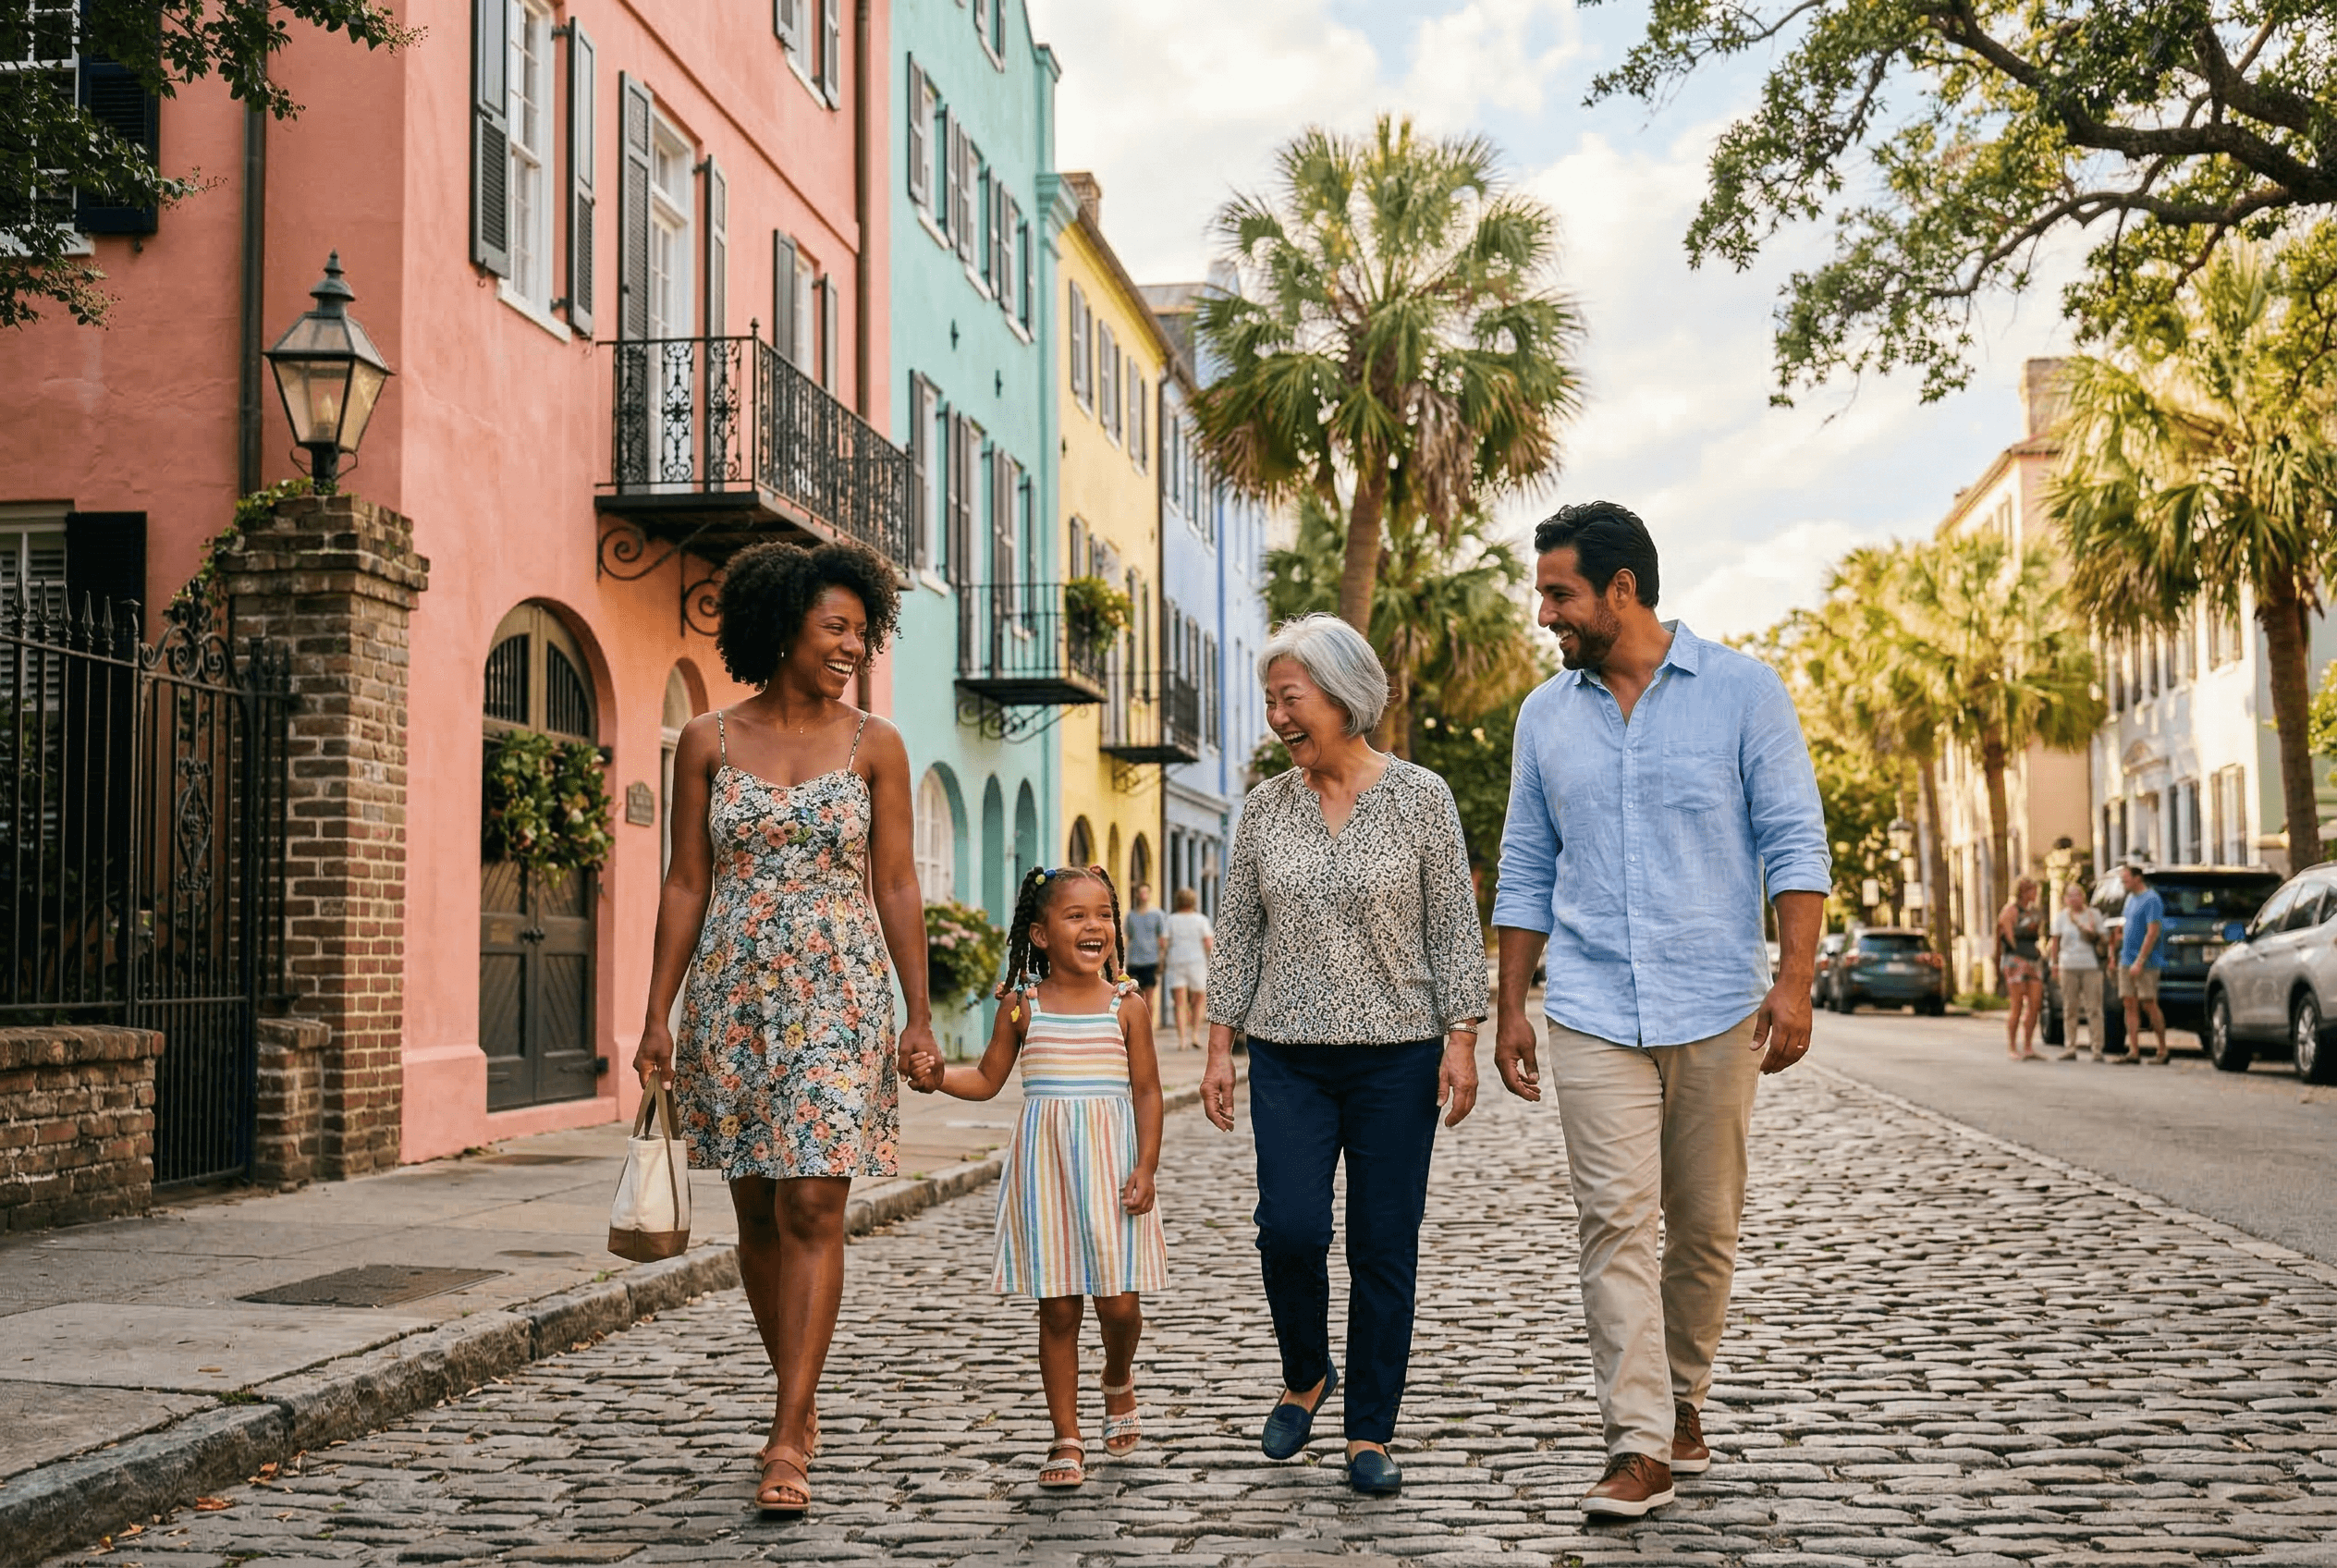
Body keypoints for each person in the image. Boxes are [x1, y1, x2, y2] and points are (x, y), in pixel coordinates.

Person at [1491, 502, 1829, 1521]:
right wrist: (1508, 1005)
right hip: (1591, 1005)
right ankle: (1636, 1440)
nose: (1545, 612)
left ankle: (1682, 1395)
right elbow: (1523, 864)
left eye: (1558, 593)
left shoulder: (1740, 691)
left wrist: (1796, 978)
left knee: (1705, 1226)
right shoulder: (1544, 715)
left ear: (1621, 589)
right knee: (1612, 1223)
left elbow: (1793, 839)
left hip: (1716, 1002)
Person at [632, 540, 939, 1521]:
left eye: (862, 628)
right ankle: (795, 1400)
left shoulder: (874, 744)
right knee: (759, 1210)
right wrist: (655, 1012)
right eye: (834, 627)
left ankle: (786, 1423)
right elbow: (686, 879)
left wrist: (919, 1011)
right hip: (733, 992)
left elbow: (894, 880)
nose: (853, 644)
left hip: (840, 993)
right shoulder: (707, 741)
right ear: (781, 628)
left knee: (813, 1203)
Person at [1198, 613, 1488, 1500]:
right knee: (1288, 1229)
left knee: (1381, 1242)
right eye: (1272, 701)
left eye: (1292, 699)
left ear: (1343, 696)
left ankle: (1370, 1431)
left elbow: (1452, 927)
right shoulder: (1263, 808)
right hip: (1287, 1054)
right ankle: (1306, 1371)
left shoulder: (1421, 798)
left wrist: (1463, 1038)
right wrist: (1219, 1044)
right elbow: (1239, 931)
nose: (1279, 717)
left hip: (1397, 1057)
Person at [928, 864, 1166, 1490]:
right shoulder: (1021, 1006)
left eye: (1103, 916)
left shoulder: (1127, 1006)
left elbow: (1147, 1091)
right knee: (1057, 1310)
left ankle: (1118, 1376)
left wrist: (1146, 1166)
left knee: (1119, 1303)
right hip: (1048, 1175)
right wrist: (936, 1079)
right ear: (1039, 935)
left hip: (1113, 1169)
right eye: (1076, 916)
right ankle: (1066, 1433)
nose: (1096, 927)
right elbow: (984, 1080)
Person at [2046, 882, 2107, 1060]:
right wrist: (2054, 965)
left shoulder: (2093, 915)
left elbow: (2104, 939)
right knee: (2070, 1008)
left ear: (2083, 897)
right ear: (2065, 899)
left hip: (2090, 965)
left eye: (2077, 895)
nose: (2074, 899)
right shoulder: (2061, 917)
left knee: (2094, 1008)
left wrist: (2092, 931)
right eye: (2070, 896)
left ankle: (2097, 1048)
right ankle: (2070, 1047)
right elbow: (2055, 942)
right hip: (2068, 965)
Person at [2117, 863, 2170, 1064]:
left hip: (2146, 961)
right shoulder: (2130, 899)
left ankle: (2162, 1049)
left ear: (2138, 878)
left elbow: (2153, 931)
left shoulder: (2152, 899)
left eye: (2126, 879)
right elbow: (2126, 926)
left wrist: (2140, 960)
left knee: (2148, 1002)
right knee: (2129, 1003)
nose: (2124, 883)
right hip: (2126, 958)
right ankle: (2134, 1050)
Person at [1996, 876, 2047, 1060]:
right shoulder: (2010, 911)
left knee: (2035, 1003)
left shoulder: (2034, 912)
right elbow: (2009, 939)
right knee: (2017, 1004)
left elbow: (2037, 935)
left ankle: (2028, 1046)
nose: (2035, 894)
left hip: (2033, 958)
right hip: (2016, 960)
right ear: (2023, 892)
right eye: (2032, 890)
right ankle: (2012, 1046)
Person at [1164, 887, 1215, 1049]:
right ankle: (1195, 1035)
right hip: (1197, 963)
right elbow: (1209, 943)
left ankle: (1182, 1040)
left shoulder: (1170, 920)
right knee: (1199, 1000)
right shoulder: (1201, 920)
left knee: (1179, 1002)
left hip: (1176, 961)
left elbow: (1164, 943)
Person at [1125, 882, 1167, 1019]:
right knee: (1135, 997)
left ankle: (1149, 1029)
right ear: (1136, 894)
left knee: (1149, 999)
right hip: (1134, 961)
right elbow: (1127, 937)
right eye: (1140, 892)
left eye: (1146, 892)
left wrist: (1161, 959)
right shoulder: (1131, 916)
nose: (1143, 895)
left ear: (1149, 894)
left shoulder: (1157, 915)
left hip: (1150, 960)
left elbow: (1162, 939)